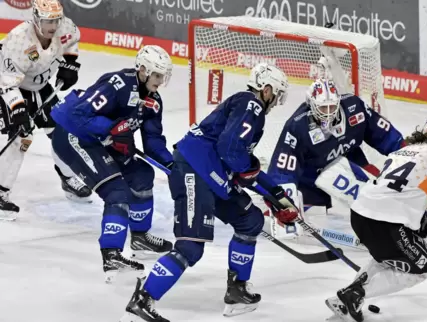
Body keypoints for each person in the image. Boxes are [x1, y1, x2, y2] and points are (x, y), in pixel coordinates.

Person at [121, 63, 298, 322]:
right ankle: (142, 300)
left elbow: (239, 159)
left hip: (212, 175)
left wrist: (277, 195)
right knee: (190, 247)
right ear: (267, 89)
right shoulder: (252, 105)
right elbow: (232, 152)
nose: (277, 102)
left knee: (250, 221)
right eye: (277, 94)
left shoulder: (247, 109)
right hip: (195, 171)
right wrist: (250, 172)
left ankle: (237, 290)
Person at [325, 114, 427, 322]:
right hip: (385, 221)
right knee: (421, 266)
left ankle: (346, 298)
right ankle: (354, 296)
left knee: (389, 257)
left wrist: (416, 219)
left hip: (360, 214)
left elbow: (399, 189)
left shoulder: (401, 152)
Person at [50, 45, 174, 282]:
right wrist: (111, 129)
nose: (160, 81)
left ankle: (139, 237)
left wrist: (173, 167)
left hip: (103, 142)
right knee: (116, 191)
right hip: (73, 136)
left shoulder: (153, 101)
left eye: (163, 76)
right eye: (157, 75)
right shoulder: (118, 84)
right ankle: (112, 254)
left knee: (142, 174)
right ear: (144, 71)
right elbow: (78, 114)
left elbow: (153, 142)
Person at [0, 0, 92, 220]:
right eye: (47, 21)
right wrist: (18, 110)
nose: (52, 26)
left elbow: (71, 45)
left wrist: (71, 65)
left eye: (55, 20)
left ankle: (68, 177)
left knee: (61, 132)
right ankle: (1, 191)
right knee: (22, 138)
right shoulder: (18, 40)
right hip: (12, 87)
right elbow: (8, 82)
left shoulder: (65, 27)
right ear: (35, 18)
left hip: (40, 86)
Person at [267, 78, 405, 212]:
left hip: (352, 164)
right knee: (312, 215)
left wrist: (406, 154)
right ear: (311, 105)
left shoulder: (354, 107)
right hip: (312, 179)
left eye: (332, 106)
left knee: (380, 195)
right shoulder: (297, 126)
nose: (328, 114)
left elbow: (385, 135)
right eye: (323, 108)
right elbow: (283, 170)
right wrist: (281, 200)